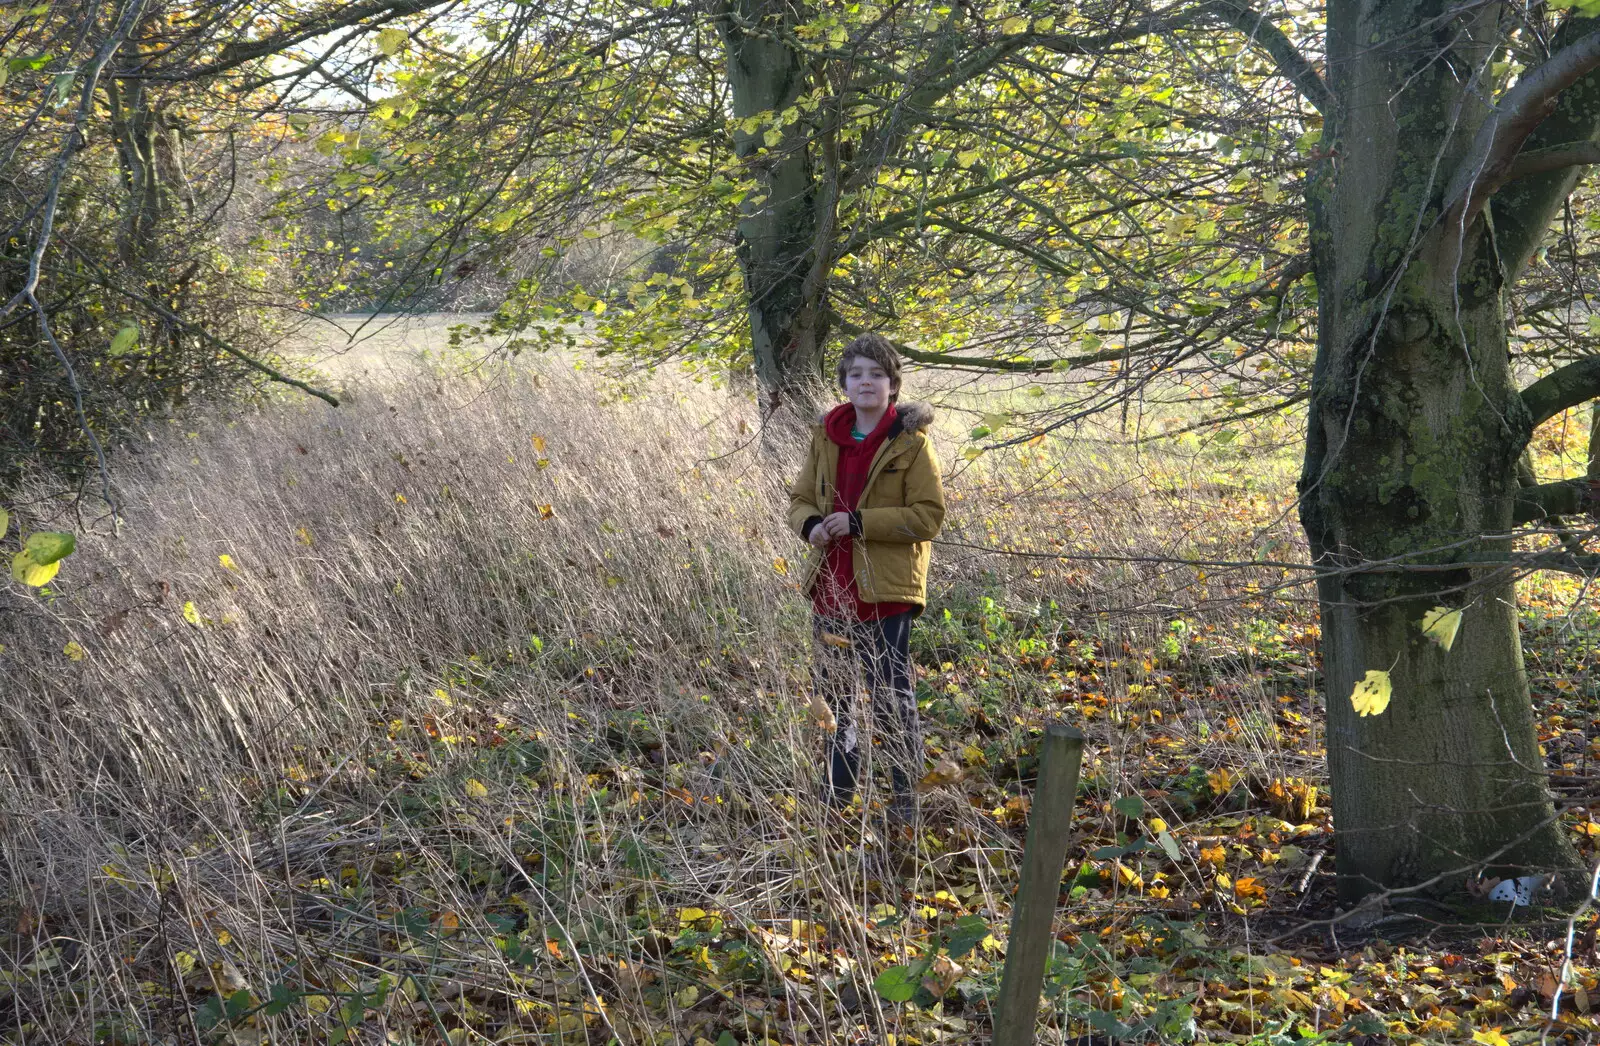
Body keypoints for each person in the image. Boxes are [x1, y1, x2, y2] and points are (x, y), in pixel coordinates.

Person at [787, 333, 946, 821]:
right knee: (834, 698)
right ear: (844, 383)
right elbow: (800, 500)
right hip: (831, 587)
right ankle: (838, 794)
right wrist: (811, 525)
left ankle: (904, 801)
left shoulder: (912, 443)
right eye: (856, 374)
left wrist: (859, 523)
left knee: (890, 698)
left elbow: (927, 516)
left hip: (885, 590)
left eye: (876, 374)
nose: (866, 382)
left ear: (893, 385)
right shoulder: (826, 436)